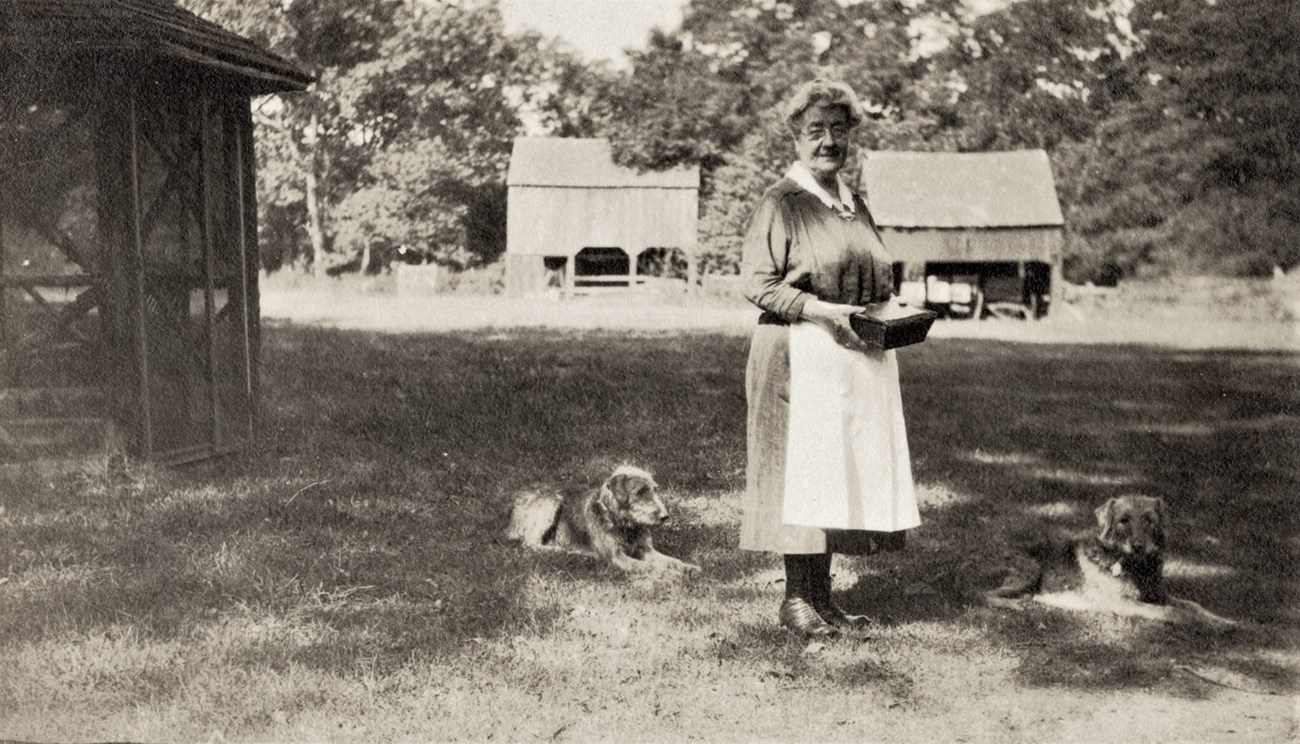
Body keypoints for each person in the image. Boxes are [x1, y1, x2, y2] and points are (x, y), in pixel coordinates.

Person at [739, 79, 921, 638]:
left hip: (853, 353)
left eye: (838, 130)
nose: (828, 142)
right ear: (796, 136)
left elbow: (875, 273)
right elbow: (758, 283)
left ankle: (824, 598)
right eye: (815, 130)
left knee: (838, 474)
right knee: (804, 475)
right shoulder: (782, 202)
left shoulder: (852, 204)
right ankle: (796, 599)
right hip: (800, 353)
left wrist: (892, 309)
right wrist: (821, 311)